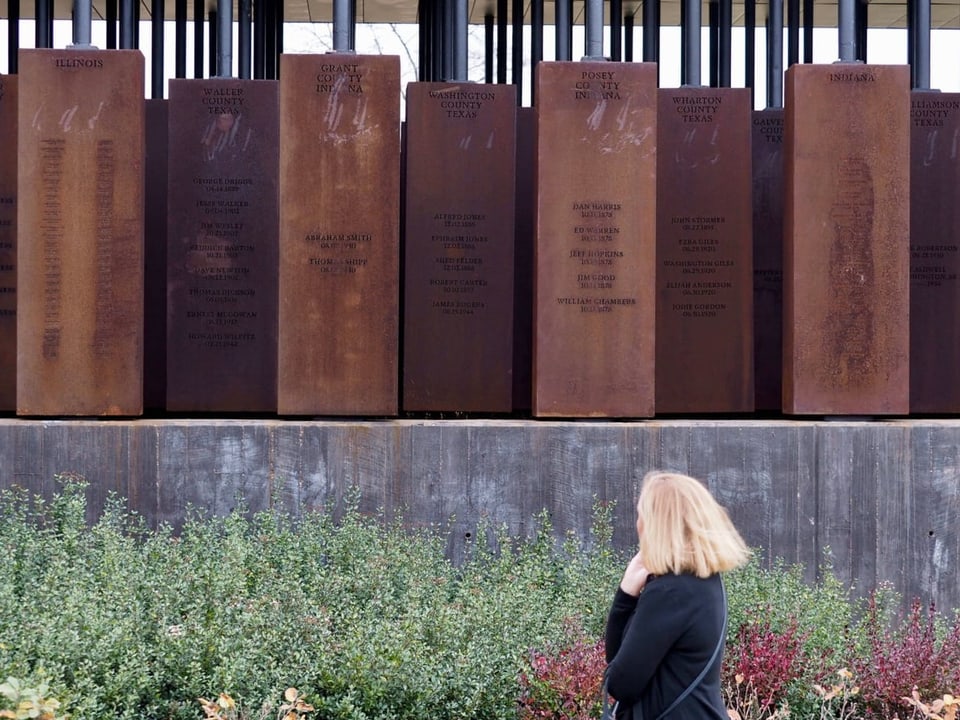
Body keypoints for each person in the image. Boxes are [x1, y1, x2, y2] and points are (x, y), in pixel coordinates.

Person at [604, 471, 751, 720]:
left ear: (657, 524)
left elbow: (621, 684)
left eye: (642, 514)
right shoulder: (704, 582)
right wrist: (627, 595)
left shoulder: (671, 593)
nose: (638, 523)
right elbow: (621, 663)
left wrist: (625, 599)